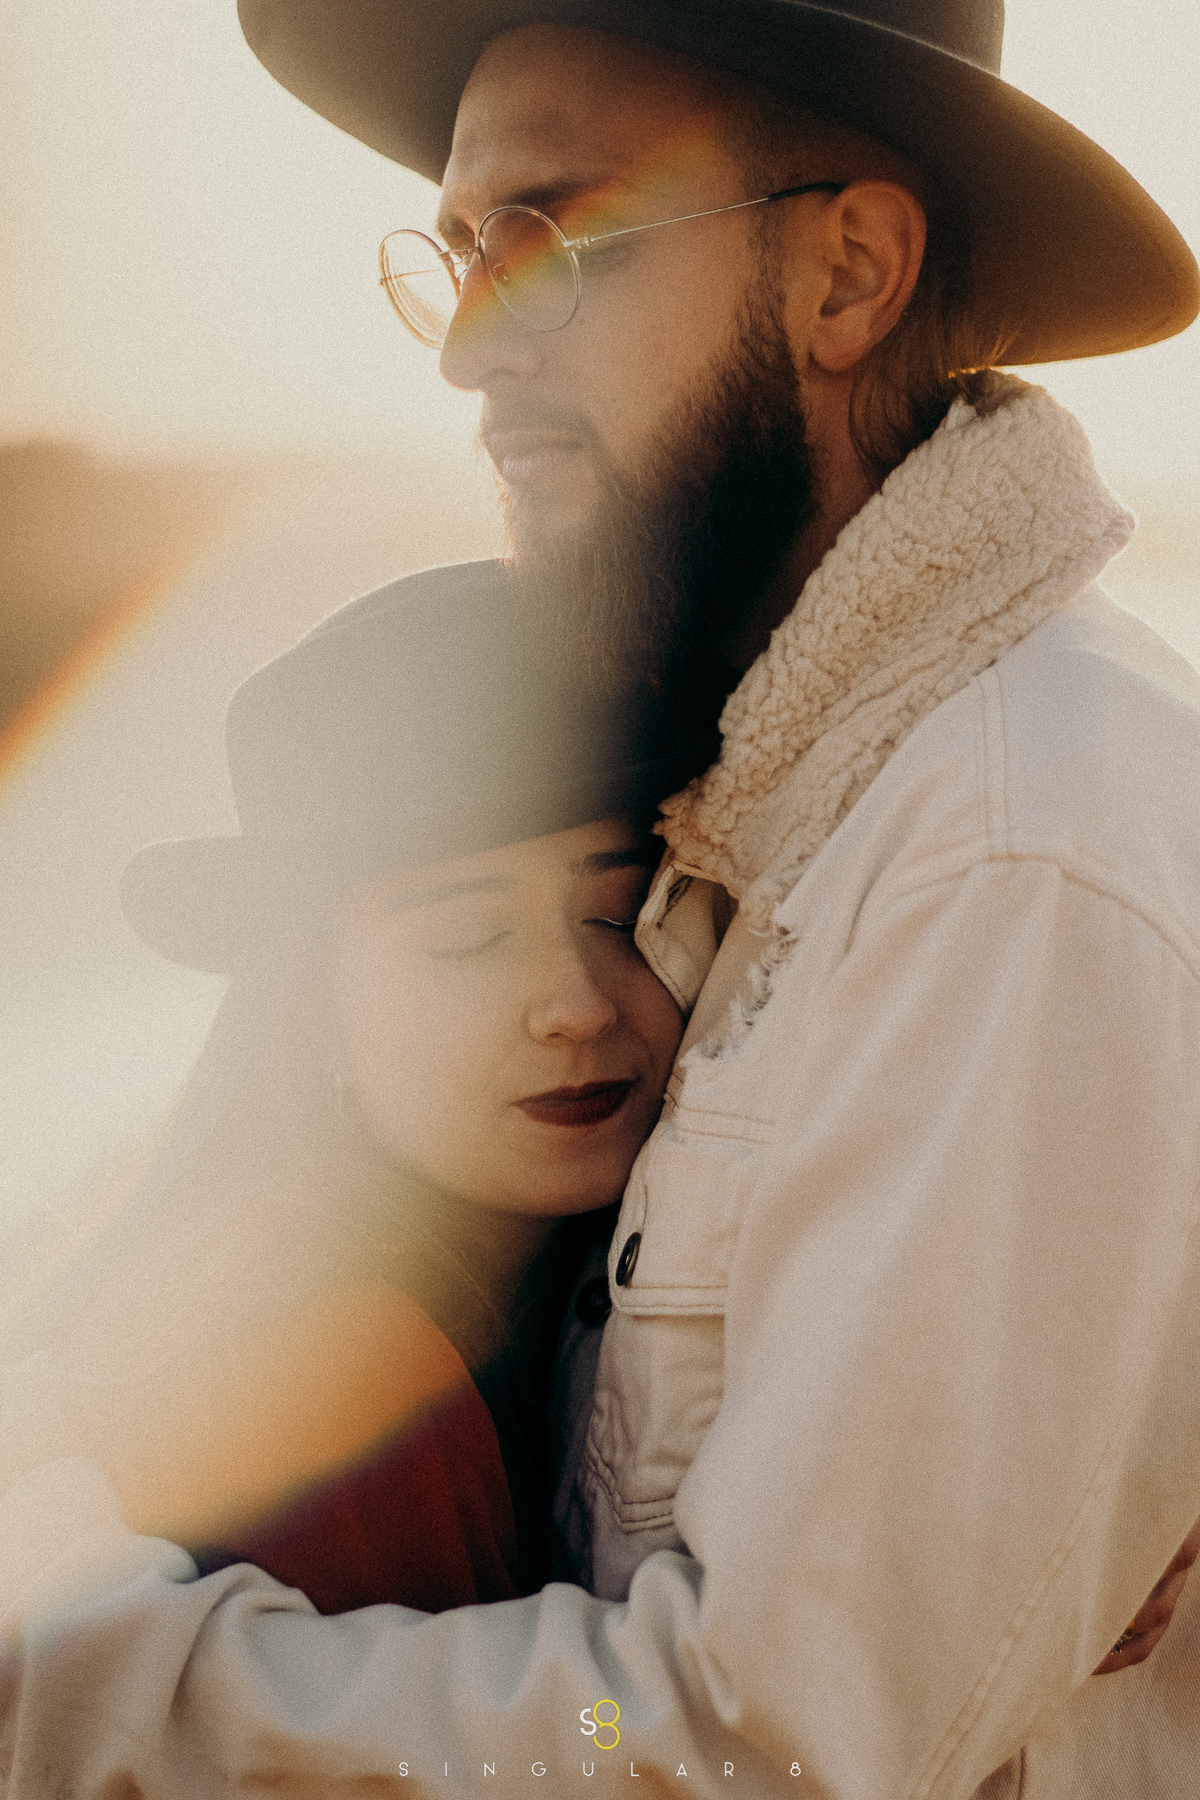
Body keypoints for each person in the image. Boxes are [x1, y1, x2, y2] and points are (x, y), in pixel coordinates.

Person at [2, 1, 1200, 1794]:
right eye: (458, 254)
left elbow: (731, 1734)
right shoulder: (768, 815)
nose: (467, 353)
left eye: (549, 241)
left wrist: (112, 1690)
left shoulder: (1009, 849)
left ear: (850, 271)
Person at [0, 558, 685, 1614]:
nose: (576, 1003)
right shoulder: (343, 1369)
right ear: (309, 1000)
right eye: (467, 937)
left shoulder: (495, 1307)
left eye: (622, 912)